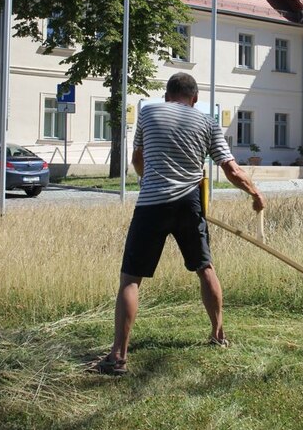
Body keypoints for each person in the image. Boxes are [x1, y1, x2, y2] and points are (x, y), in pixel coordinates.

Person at [89, 72, 266, 376]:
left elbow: (138, 160)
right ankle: (218, 335)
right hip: (189, 203)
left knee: (131, 279)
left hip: (151, 204)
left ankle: (117, 357)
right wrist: (256, 194)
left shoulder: (148, 111)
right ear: (194, 99)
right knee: (204, 268)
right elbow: (232, 169)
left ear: (167, 95)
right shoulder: (207, 122)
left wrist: (151, 179)